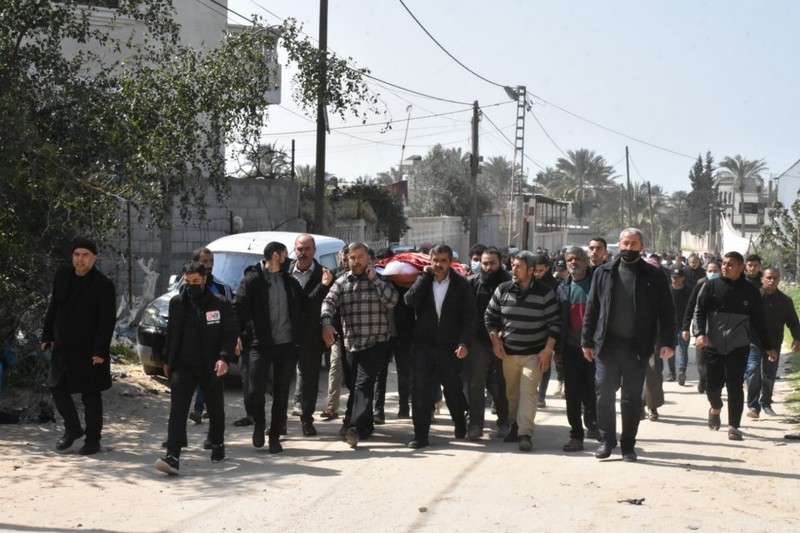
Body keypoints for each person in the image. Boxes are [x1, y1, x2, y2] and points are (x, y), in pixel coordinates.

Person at [582, 228, 675, 462]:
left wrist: (668, 341)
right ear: (619, 244)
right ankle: (607, 440)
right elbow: (592, 308)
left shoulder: (654, 276)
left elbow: (667, 311)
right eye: (625, 243)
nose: (629, 248)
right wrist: (587, 341)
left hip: (637, 347)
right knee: (603, 393)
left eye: (634, 244)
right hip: (607, 346)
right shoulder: (604, 272)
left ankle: (628, 445)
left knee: (632, 398)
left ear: (641, 247)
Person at [155, 261, 238, 475]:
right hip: (183, 365)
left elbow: (229, 334)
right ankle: (172, 456)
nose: (191, 285)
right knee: (178, 410)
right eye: (188, 281)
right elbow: (171, 333)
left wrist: (224, 358)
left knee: (215, 407)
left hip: (211, 365)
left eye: (195, 281)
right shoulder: (177, 303)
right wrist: (167, 360)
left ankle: (217, 444)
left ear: (204, 280)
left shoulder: (219, 303)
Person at [41, 238, 116, 456]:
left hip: (90, 349)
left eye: (85, 255)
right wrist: (47, 335)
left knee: (90, 394)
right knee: (56, 385)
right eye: (76, 255)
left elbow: (106, 321)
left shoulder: (103, 284)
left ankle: (93, 440)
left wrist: (100, 350)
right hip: (63, 346)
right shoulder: (63, 276)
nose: (80, 259)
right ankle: (73, 428)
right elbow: (54, 306)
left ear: (94, 258)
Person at [321, 242, 399, 448]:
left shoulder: (380, 280)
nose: (356, 261)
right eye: (352, 258)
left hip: (375, 342)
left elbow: (392, 301)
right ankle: (366, 426)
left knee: (363, 384)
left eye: (360, 257)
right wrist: (327, 323)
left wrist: (375, 280)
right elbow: (328, 302)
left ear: (369, 259)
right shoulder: (342, 281)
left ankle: (354, 427)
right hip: (351, 344)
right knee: (354, 384)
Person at [693, 252, 776, 441]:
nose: (725, 267)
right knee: (713, 387)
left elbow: (759, 322)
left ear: (741, 267)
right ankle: (715, 408)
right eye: (724, 263)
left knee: (735, 385)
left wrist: (768, 347)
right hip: (713, 345)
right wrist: (700, 333)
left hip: (738, 346)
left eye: (730, 264)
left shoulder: (751, 291)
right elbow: (699, 311)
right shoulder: (711, 286)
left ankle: (734, 426)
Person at [485, 251, 561, 452]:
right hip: (508, 354)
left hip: (534, 355)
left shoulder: (545, 292)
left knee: (528, 392)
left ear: (531, 270)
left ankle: (525, 433)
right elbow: (490, 316)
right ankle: (514, 425)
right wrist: (495, 341)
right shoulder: (503, 289)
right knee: (512, 394)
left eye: (518, 266)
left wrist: (548, 350)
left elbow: (555, 323)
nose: (514, 269)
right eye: (513, 265)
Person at [234, 241, 304, 454]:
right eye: (285, 255)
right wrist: (237, 336)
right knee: (255, 390)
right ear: (275, 256)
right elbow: (238, 308)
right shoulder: (252, 280)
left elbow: (304, 305)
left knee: (281, 393)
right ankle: (259, 423)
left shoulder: (289, 282)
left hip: (286, 345)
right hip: (260, 344)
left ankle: (274, 436)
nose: (288, 259)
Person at [404, 244, 476, 449]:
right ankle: (420, 435)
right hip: (424, 346)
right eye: (435, 260)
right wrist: (424, 279)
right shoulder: (423, 280)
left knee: (453, 390)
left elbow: (470, 317)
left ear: (450, 262)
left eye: (443, 261)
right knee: (420, 391)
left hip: (449, 347)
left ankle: (459, 420)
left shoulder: (461, 285)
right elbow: (410, 301)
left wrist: (464, 342)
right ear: (430, 261)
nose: (439, 264)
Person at [288, 234, 334, 437]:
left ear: (314, 251)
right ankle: (279, 422)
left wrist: (326, 326)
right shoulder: (285, 273)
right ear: (295, 250)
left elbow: (328, 306)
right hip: (287, 336)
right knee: (280, 380)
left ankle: (307, 420)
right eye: (300, 249)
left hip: (311, 336)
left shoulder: (325, 276)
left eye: (307, 249)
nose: (303, 253)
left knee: (310, 381)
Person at [465, 247, 511, 440]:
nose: (488, 267)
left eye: (492, 263)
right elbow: (466, 313)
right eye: (484, 263)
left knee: (502, 382)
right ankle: (475, 424)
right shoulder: (472, 283)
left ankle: (504, 422)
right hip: (478, 341)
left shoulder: (510, 283)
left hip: (504, 341)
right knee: (475, 382)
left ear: (501, 262)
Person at [555, 246, 598, 452]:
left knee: (593, 391)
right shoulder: (563, 288)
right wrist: (558, 350)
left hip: (594, 349)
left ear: (586, 261)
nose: (573, 262)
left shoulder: (597, 284)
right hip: (571, 349)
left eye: (577, 259)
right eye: (570, 259)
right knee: (572, 394)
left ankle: (594, 426)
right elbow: (558, 321)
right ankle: (576, 436)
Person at [188, 247, 235, 426]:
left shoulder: (222, 288)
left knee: (214, 374)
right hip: (195, 341)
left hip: (216, 342)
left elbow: (230, 317)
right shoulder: (187, 288)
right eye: (204, 261)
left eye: (211, 261)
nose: (209, 265)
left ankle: (201, 409)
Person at [745, 268, 800, 418]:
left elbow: (793, 322)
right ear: (762, 279)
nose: (772, 280)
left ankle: (766, 403)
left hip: (774, 342)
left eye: (775, 278)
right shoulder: (753, 298)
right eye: (769, 277)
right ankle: (753, 406)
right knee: (753, 371)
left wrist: (797, 338)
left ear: (779, 280)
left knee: (769, 374)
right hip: (754, 342)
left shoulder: (785, 300)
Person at [681, 258, 721, 393]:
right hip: (701, 328)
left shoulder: (724, 285)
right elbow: (691, 305)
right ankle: (703, 378)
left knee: (716, 360)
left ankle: (711, 382)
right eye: (710, 271)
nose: (712, 273)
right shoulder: (700, 284)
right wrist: (685, 327)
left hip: (718, 329)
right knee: (701, 361)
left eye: (715, 271)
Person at [531, 253, 559, 408]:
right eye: (535, 270)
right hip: (531, 327)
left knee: (545, 361)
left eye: (540, 270)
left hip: (548, 328)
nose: (537, 274)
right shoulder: (528, 282)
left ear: (547, 268)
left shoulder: (554, 285)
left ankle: (541, 395)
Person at [668, 268, 692, 385]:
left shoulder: (688, 292)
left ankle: (682, 371)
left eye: (677, 278)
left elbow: (691, 309)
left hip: (683, 325)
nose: (675, 280)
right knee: (670, 349)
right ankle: (672, 372)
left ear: (683, 278)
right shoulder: (667, 290)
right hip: (669, 325)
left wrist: (687, 326)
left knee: (683, 349)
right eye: (673, 277)